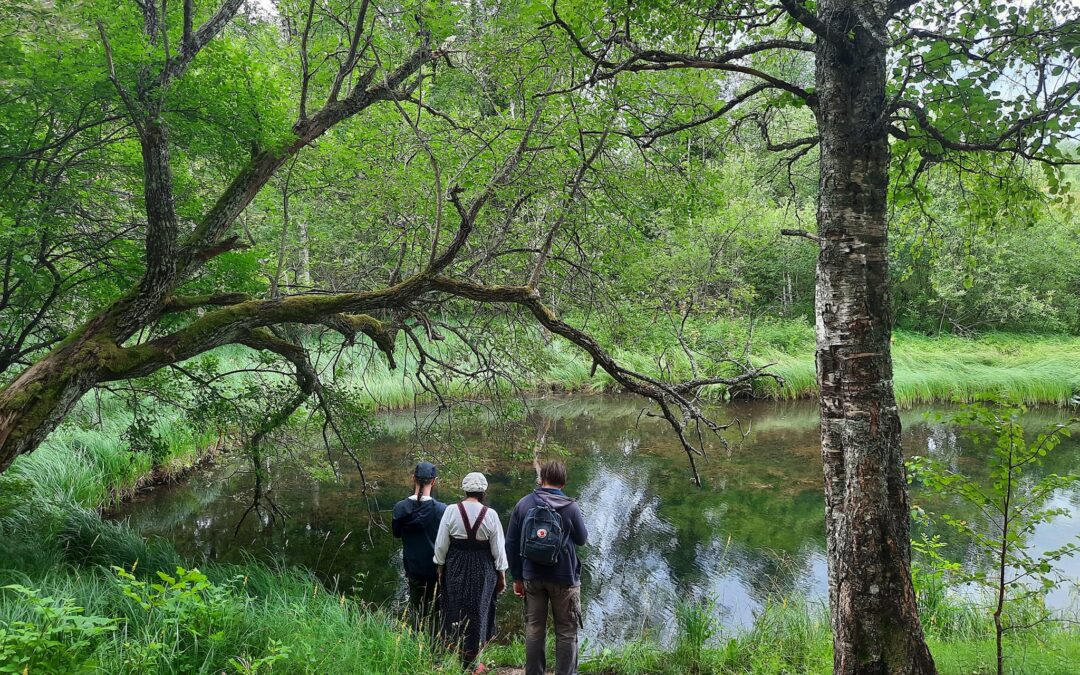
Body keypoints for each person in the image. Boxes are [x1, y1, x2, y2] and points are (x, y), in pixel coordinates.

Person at [505, 460, 589, 675]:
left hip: (532, 578)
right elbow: (581, 539)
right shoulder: (570, 506)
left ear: (541, 479)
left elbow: (511, 544)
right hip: (564, 578)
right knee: (566, 631)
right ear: (563, 482)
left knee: (534, 629)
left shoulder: (523, 504)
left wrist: (517, 577)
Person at [433, 472, 508, 671]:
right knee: (479, 611)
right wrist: (502, 576)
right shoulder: (490, 515)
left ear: (465, 489)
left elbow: (441, 545)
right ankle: (474, 663)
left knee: (455, 607)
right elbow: (498, 550)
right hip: (483, 569)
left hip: (456, 565)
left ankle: (457, 654)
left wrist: (440, 568)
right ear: (483, 491)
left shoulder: (450, 511)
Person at [391, 461, 447, 631]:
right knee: (437, 613)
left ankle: (416, 647)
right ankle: (435, 650)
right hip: (436, 571)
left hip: (413, 568)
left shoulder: (400, 508)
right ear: (434, 481)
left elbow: (396, 534)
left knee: (417, 611)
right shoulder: (442, 510)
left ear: (413, 478)